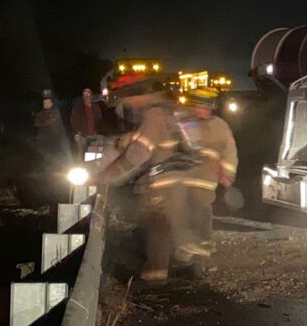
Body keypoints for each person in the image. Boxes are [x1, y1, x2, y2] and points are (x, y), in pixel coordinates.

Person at [96, 79, 201, 283]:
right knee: (172, 224)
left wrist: (110, 173)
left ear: (138, 96)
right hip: (176, 179)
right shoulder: (167, 110)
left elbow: (140, 151)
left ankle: (155, 275)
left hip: (160, 181)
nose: (128, 103)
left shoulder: (153, 115)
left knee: (156, 225)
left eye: (129, 98)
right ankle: (186, 267)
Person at [181, 87, 238, 258]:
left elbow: (230, 151)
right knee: (181, 207)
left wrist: (227, 173)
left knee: (202, 204)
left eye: (206, 106)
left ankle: (203, 240)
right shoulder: (184, 124)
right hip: (184, 174)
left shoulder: (219, 126)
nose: (203, 110)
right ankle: (185, 241)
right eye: (199, 106)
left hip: (206, 176)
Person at [70, 87, 104, 158]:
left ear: (91, 96)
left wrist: (99, 132)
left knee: (94, 156)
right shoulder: (77, 108)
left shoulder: (96, 107)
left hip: (93, 134)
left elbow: (100, 120)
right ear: (82, 97)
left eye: (88, 94)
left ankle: (95, 167)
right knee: (82, 155)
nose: (87, 96)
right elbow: (73, 120)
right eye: (85, 94)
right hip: (82, 136)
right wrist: (77, 132)